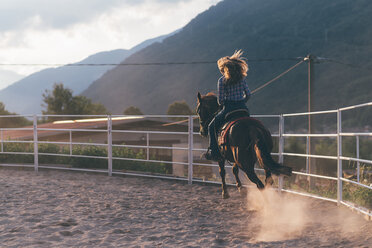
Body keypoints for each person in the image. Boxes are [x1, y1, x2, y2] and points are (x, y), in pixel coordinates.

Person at [204, 50, 251, 161]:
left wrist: (224, 102)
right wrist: (242, 101)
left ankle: (215, 153)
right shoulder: (242, 79)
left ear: (223, 69)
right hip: (243, 108)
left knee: (211, 127)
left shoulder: (222, 81)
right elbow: (249, 94)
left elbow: (220, 100)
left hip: (229, 109)